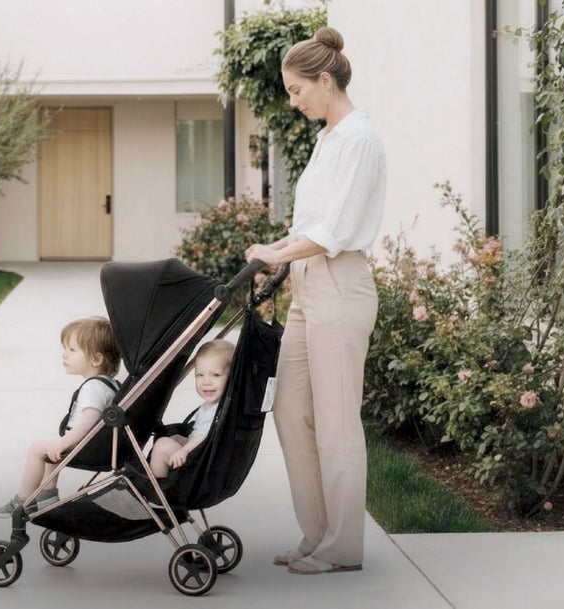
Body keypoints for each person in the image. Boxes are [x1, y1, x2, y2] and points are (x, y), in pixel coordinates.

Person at [244, 26, 386, 575]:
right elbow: (312, 224)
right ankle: (317, 532)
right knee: (291, 410)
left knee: (336, 421)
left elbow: (336, 232)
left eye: (296, 90)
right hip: (309, 287)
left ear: (324, 80)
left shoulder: (359, 139)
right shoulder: (329, 138)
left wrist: (276, 255)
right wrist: (273, 252)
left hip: (339, 287)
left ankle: (342, 546)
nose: (292, 100)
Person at [0, 316, 121, 518]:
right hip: (101, 445)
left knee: (38, 447)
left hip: (89, 446)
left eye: (72, 350)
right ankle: (48, 497)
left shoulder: (93, 388)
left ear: (97, 359)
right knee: (52, 451)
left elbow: (88, 421)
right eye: (65, 349)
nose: (64, 355)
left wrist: (65, 443)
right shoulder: (110, 384)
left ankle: (23, 500)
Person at [149, 339, 234, 478]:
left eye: (216, 375)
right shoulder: (211, 405)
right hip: (200, 453)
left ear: (232, 378)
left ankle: (157, 486)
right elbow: (200, 434)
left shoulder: (220, 410)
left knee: (162, 445)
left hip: (201, 463)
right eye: (200, 375)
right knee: (174, 438)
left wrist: (185, 450)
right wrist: (186, 441)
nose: (206, 382)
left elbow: (208, 435)